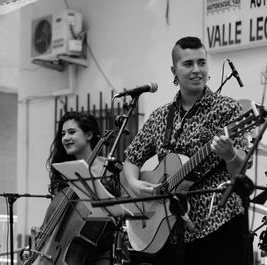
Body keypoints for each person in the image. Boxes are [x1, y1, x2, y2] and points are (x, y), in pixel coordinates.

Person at [122, 36, 252, 265]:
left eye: (202, 63)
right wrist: (134, 184)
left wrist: (230, 154)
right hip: (170, 230)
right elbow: (131, 160)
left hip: (219, 224)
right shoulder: (160, 116)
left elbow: (239, 170)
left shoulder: (226, 108)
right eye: (188, 64)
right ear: (174, 70)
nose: (196, 70)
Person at [42, 111, 119, 265]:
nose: (65, 138)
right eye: (63, 133)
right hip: (63, 253)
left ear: (89, 135)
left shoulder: (108, 171)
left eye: (72, 132)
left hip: (99, 254)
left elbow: (124, 209)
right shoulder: (65, 171)